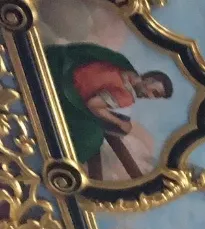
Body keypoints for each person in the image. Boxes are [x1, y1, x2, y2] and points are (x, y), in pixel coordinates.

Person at [44, 42, 173, 180]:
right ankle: (60, 166)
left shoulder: (124, 66)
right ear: (149, 80)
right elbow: (93, 105)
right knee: (92, 139)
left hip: (61, 67)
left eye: (156, 96)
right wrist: (120, 123)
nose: (151, 97)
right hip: (64, 91)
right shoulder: (127, 96)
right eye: (155, 92)